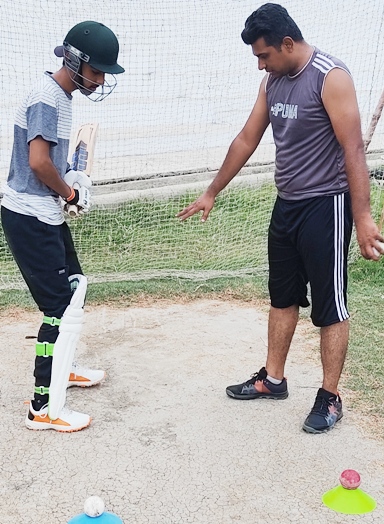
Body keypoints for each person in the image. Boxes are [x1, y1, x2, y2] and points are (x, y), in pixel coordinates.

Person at [177, 3, 384, 433]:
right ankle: (273, 379)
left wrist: (362, 218)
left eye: (264, 55)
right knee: (282, 296)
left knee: (330, 305)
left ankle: (330, 396)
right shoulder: (273, 82)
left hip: (327, 205)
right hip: (286, 203)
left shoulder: (331, 77)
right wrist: (212, 192)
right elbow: (247, 137)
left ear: (287, 43)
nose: (260, 65)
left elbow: (353, 150)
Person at [1, 21, 124, 432]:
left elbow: (51, 162)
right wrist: (69, 195)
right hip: (29, 215)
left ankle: (63, 368)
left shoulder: (61, 95)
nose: (102, 79)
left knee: (76, 286)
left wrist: (72, 178)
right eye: (99, 70)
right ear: (75, 61)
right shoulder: (47, 98)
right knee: (58, 310)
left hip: (43, 211)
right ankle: (43, 407)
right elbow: (37, 163)